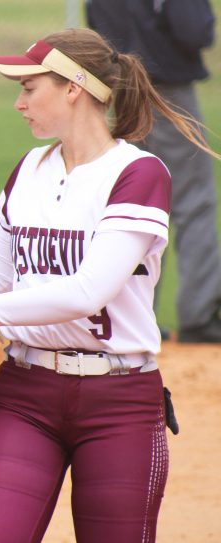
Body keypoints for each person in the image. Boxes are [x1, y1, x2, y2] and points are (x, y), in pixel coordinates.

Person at [0, 28, 219, 542]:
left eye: (30, 88)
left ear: (75, 87)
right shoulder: (29, 169)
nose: (19, 103)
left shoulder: (138, 174)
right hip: (24, 394)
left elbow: (87, 292)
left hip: (119, 401)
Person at [87, 0, 221, 342]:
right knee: (195, 202)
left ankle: (131, 313)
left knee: (132, 203)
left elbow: (97, 30)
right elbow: (194, 31)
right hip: (168, 91)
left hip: (123, 92)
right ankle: (200, 314)